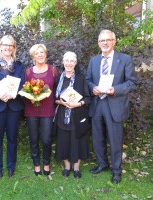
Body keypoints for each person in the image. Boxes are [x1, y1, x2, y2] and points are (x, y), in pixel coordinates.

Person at [86, 29, 138, 183]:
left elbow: (132, 82)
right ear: (98, 43)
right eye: (102, 40)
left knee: (115, 139)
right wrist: (92, 87)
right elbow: (88, 80)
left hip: (115, 104)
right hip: (97, 104)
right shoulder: (94, 60)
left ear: (114, 41)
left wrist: (115, 89)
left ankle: (116, 170)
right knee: (97, 137)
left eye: (108, 40)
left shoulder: (124, 59)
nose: (105, 43)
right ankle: (102, 164)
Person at [0, 35, 25, 178]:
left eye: (11, 45)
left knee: (12, 137)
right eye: (5, 45)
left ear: (14, 48)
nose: (8, 48)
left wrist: (15, 93)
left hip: (14, 106)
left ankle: (11, 166)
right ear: (0, 46)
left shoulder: (19, 65)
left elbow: (22, 84)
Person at [24, 44, 59, 176]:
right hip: (31, 109)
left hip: (48, 109)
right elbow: (24, 89)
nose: (40, 55)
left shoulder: (53, 70)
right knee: (33, 139)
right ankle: (37, 164)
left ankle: (46, 163)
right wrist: (30, 97)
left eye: (42, 52)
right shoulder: (28, 72)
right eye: (37, 53)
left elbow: (58, 89)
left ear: (45, 54)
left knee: (46, 139)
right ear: (33, 56)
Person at [55, 51, 90, 179]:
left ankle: (76, 168)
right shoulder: (58, 79)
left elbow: (88, 98)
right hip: (62, 115)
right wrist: (61, 102)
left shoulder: (81, 78)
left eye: (72, 61)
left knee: (77, 141)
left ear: (75, 63)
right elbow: (55, 99)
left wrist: (78, 104)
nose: (69, 63)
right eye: (66, 60)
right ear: (63, 62)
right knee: (63, 141)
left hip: (77, 115)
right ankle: (67, 166)